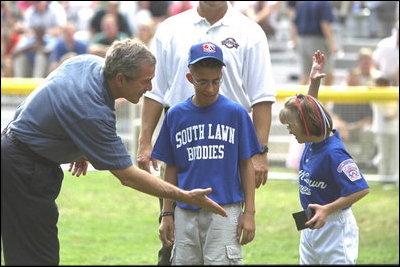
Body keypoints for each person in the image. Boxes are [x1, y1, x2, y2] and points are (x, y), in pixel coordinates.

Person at [1, 39, 227, 266]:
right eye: (145, 81)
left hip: (14, 153)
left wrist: (80, 141)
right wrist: (184, 195)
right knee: (35, 258)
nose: (150, 87)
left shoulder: (86, 63)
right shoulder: (91, 111)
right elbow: (127, 175)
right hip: (22, 169)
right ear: (120, 78)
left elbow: (53, 99)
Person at [136, 2, 276, 264]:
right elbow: (155, 91)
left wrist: (261, 151)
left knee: (224, 243)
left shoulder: (250, 31)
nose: (210, 85)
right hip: (182, 144)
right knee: (173, 241)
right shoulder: (170, 29)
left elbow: (262, 96)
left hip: (231, 145)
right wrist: (145, 142)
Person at [154, 42, 259, 265]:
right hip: (184, 209)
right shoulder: (175, 115)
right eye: (203, 82)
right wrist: (167, 213)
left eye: (216, 81)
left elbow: (246, 165)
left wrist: (249, 213)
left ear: (221, 76)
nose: (211, 88)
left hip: (225, 209)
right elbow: (171, 168)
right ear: (190, 78)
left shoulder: (236, 113)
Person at [279, 50, 370, 264]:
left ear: (308, 127)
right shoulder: (314, 139)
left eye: (291, 127)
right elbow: (311, 110)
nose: (290, 131)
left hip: (334, 226)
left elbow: (361, 188)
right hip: (311, 223)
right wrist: (314, 83)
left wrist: (327, 209)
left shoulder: (333, 153)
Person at [289, 1, 337, 85]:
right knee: (328, 75)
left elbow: (294, 23)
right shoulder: (324, 3)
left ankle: (298, 98)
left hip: (302, 40)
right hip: (317, 41)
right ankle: (326, 98)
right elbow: (325, 24)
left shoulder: (302, 3)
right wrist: (332, 43)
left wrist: (294, 40)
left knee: (305, 76)